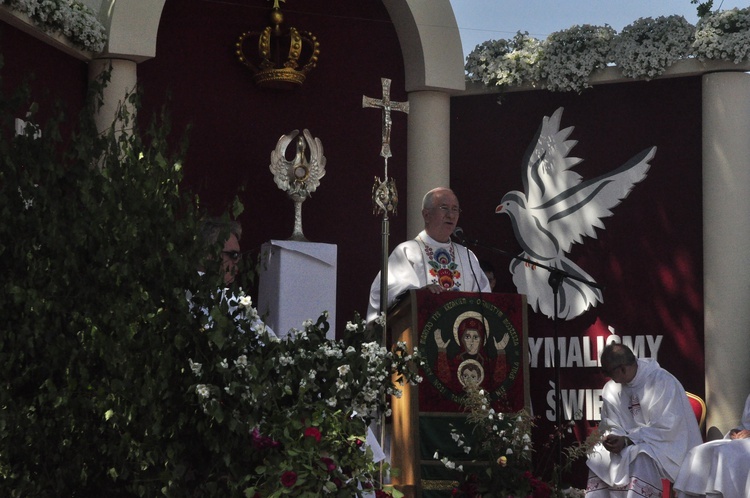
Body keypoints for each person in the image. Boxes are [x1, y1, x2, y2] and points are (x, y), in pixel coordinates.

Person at [585, 343, 702, 497]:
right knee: (598, 456)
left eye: (607, 372)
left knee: (640, 457)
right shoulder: (611, 389)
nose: (607, 377)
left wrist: (627, 440)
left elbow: (666, 427)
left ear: (623, 369)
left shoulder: (661, 381)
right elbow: (610, 423)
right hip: (631, 444)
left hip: (666, 448)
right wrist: (614, 438)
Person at [366, 187, 491, 323]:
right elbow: (386, 292)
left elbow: (485, 300)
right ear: (426, 215)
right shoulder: (407, 251)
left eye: (455, 209)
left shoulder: (467, 255)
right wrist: (420, 294)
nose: (451, 215)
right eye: (444, 208)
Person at [673, 393, 750, 498]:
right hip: (744, 441)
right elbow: (746, 423)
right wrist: (737, 432)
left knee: (725, 453)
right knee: (700, 452)